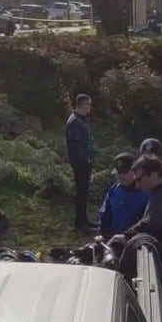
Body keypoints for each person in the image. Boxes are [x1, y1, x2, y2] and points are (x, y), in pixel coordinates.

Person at [111, 157, 162, 300]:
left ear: (154, 175)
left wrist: (126, 236)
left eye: (140, 180)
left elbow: (151, 223)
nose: (137, 185)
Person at [98, 152, 150, 239]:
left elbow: (149, 223)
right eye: (119, 172)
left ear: (136, 171)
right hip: (113, 242)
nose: (122, 176)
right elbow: (105, 216)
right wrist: (102, 235)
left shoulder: (147, 193)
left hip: (136, 242)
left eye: (126, 172)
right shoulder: (113, 190)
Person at [65, 93, 97, 233]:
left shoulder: (81, 120)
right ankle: (80, 224)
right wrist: (85, 160)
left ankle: (84, 220)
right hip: (81, 163)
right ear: (81, 105)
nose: (90, 107)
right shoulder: (75, 122)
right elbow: (76, 146)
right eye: (88, 104)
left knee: (84, 193)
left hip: (85, 162)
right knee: (81, 193)